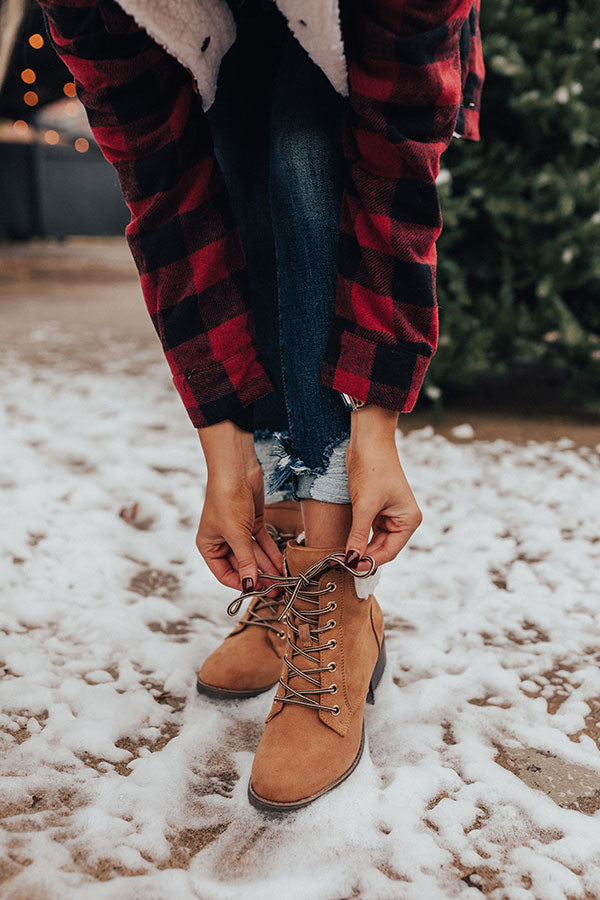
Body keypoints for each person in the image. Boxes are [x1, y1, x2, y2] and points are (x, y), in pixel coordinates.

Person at [34, 0, 484, 811]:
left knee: (304, 152)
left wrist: (371, 432)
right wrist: (224, 449)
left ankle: (333, 584)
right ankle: (289, 548)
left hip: (363, 28)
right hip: (218, 35)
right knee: (234, 165)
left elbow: (392, 177)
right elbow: (166, 200)